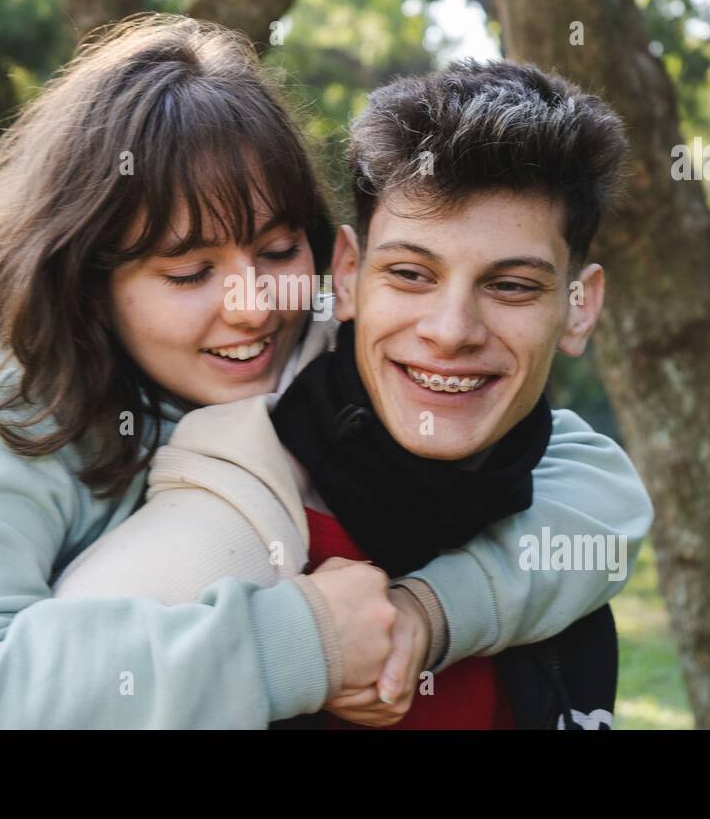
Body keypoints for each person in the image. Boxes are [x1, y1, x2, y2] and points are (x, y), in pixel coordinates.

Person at [0, 15, 651, 729]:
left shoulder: (341, 327)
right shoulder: (19, 401)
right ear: (90, 277)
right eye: (188, 273)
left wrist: (428, 615)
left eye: (274, 250)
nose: (255, 306)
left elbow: (595, 489)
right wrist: (294, 644)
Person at [53, 59, 650, 729]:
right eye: (410, 273)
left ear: (579, 308)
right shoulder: (217, 535)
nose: (451, 332)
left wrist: (426, 613)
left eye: (511, 285)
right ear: (346, 276)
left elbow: (613, 499)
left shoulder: (563, 499)